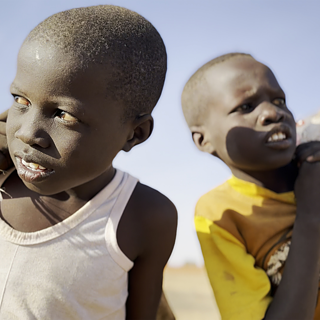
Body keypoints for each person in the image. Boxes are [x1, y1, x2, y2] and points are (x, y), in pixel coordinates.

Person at [0, 5, 177, 320]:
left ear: (134, 134)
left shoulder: (145, 216)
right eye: (21, 101)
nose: (27, 134)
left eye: (64, 115)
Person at [181, 52, 320, 320]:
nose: (272, 112)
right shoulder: (220, 214)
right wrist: (311, 215)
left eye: (279, 100)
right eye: (246, 107)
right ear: (203, 140)